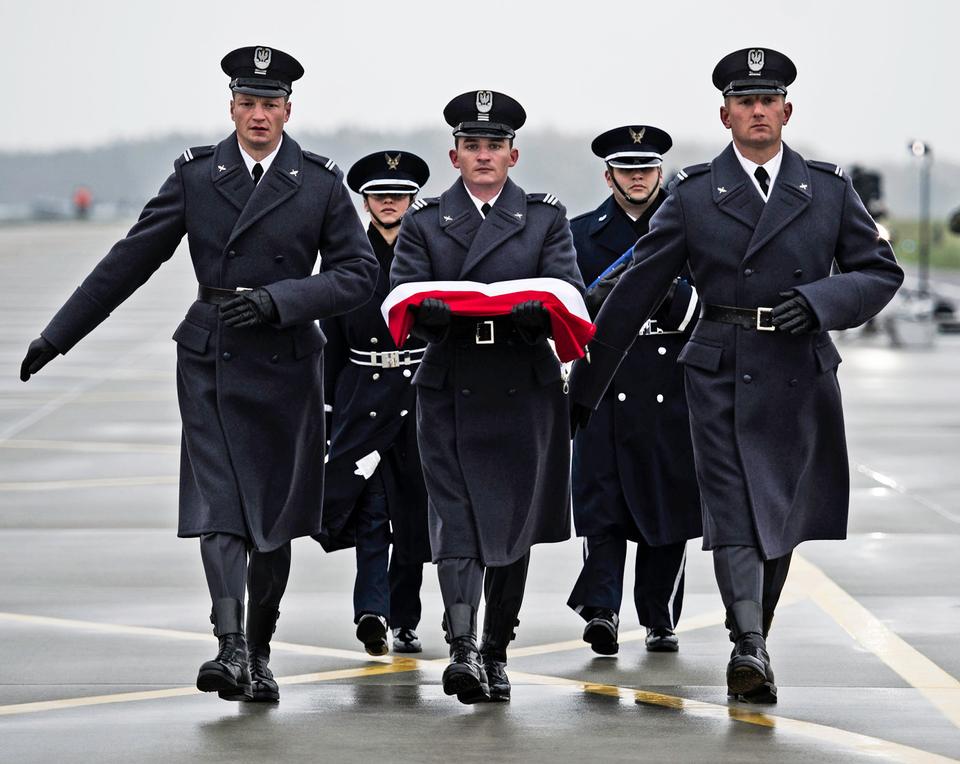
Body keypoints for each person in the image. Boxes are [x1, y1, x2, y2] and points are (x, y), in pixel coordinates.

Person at [19, 46, 378, 704]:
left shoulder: (322, 183)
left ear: (288, 110)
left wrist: (281, 300)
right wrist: (58, 336)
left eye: (271, 105)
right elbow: (130, 259)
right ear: (232, 106)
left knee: (272, 525)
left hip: (288, 363)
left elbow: (358, 275)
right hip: (213, 357)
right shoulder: (196, 176)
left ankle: (260, 651)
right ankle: (229, 646)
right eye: (248, 103)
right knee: (220, 508)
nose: (259, 115)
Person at [569, 48, 903, 703]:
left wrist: (822, 301)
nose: (756, 111)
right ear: (725, 114)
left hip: (799, 370)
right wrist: (585, 388)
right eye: (744, 102)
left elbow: (880, 272)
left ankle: (755, 630)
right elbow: (636, 291)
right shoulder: (694, 195)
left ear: (786, 111)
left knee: (782, 517)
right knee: (734, 514)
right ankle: (748, 645)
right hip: (717, 368)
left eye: (767, 100)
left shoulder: (828, 189)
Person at [390, 90, 584, 704]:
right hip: (451, 383)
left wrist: (536, 316)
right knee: (456, 521)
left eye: (493, 146)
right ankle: (463, 648)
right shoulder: (424, 222)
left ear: (512, 153)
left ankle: (496, 647)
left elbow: (571, 291)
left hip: (522, 386)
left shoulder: (545, 218)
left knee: (512, 525)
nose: (482, 156)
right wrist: (434, 318)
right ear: (454, 155)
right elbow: (399, 296)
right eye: (471, 146)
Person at [567, 126, 702, 655]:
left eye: (647, 167)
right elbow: (575, 306)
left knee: (667, 507)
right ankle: (601, 610)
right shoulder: (580, 235)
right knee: (601, 503)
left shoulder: (691, 228)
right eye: (627, 168)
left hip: (670, 383)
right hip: (605, 381)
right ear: (609, 176)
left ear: (660, 172)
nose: (638, 176)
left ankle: (659, 614)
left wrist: (675, 299)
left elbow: (710, 299)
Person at [315, 151, 432, 656]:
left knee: (413, 511)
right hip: (361, 396)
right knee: (371, 510)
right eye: (379, 193)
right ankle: (372, 612)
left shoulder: (430, 255)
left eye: (399, 193)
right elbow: (331, 343)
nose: (389, 201)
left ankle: (405, 618)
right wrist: (325, 415)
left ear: (411, 199)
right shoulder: (346, 260)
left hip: (418, 397)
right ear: (364, 201)